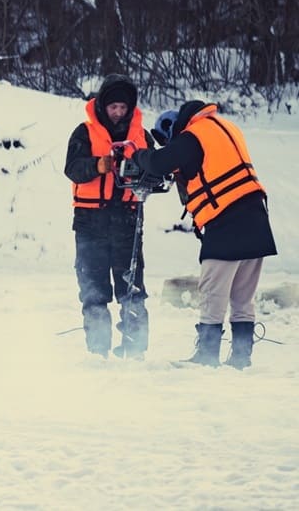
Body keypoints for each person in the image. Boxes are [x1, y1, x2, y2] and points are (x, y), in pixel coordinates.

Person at [132, 100, 277, 368]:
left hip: (228, 223)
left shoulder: (192, 136)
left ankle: (207, 355)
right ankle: (241, 358)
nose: (170, 145)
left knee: (213, 292)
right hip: (256, 217)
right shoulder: (223, 127)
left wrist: (136, 155)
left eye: (168, 140)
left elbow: (158, 162)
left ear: (174, 128)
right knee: (243, 297)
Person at [64, 74, 157, 359]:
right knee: (93, 291)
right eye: (113, 106)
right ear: (103, 106)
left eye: (123, 107)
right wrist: (98, 165)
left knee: (132, 289)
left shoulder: (142, 137)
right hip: (90, 222)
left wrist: (144, 175)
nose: (118, 112)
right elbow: (72, 168)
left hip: (127, 222)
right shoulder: (84, 132)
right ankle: (98, 351)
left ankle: (135, 351)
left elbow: (157, 171)